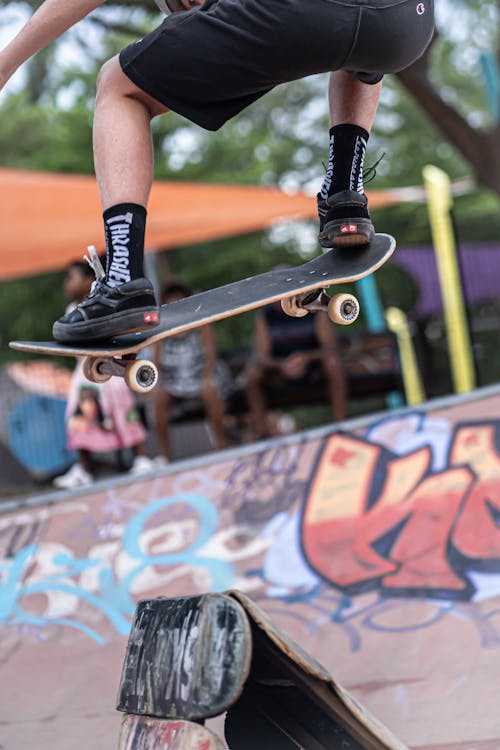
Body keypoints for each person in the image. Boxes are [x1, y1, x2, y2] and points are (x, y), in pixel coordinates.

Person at [0, 0, 434, 344]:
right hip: (408, 23)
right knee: (360, 48)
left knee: (118, 87)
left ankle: (121, 282)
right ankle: (344, 198)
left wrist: (7, 63)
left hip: (304, 13)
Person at [53, 259, 154, 488]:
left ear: (90, 280)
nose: (66, 284)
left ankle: (141, 458)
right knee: (80, 418)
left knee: (123, 412)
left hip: (109, 370)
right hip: (85, 375)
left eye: (71, 277)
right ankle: (83, 468)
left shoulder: (107, 305)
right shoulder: (71, 311)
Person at [153, 281, 231, 461]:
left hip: (200, 377)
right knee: (159, 398)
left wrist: (206, 378)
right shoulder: (161, 328)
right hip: (175, 382)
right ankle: (165, 455)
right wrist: (158, 384)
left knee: (210, 391)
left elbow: (211, 356)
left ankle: (221, 445)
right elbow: (157, 362)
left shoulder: (201, 322)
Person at [246, 302, 346, 438]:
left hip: (313, 368)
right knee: (253, 374)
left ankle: (340, 425)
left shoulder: (315, 310)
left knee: (333, 363)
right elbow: (261, 356)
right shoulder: (266, 315)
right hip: (279, 372)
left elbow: (330, 348)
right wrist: (282, 365)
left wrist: (306, 358)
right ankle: (261, 432)